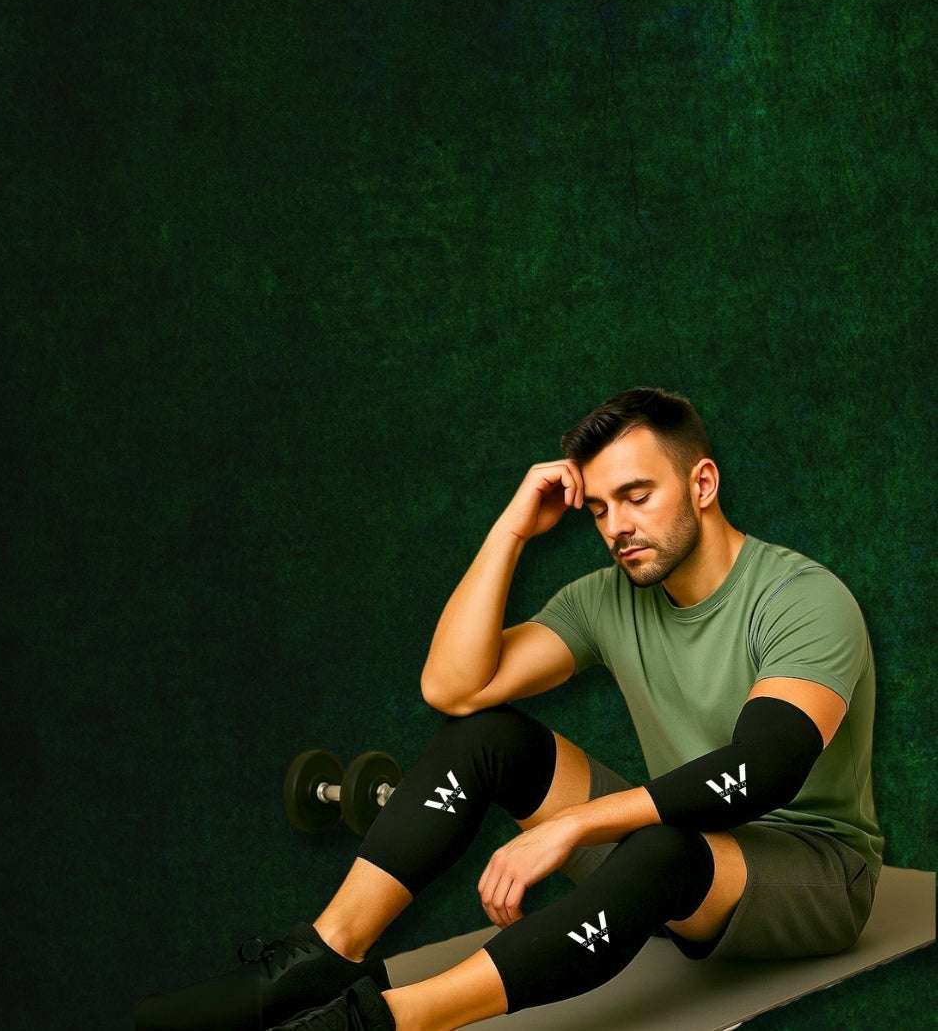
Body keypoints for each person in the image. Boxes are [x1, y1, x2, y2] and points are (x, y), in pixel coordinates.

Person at [136, 388, 883, 1031]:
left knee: (663, 850)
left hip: (813, 872)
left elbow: (765, 767)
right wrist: (512, 530)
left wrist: (574, 825)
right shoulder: (608, 598)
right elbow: (454, 689)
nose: (617, 527)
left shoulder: (803, 599)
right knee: (490, 736)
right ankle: (324, 958)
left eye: (637, 496)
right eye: (599, 508)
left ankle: (381, 1021)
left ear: (704, 483)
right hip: (681, 841)